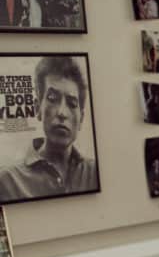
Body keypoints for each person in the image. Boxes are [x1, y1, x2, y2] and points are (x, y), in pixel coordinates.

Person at [0, 55, 98, 202]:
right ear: (38, 108)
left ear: (82, 118)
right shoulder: (8, 180)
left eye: (72, 104)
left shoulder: (95, 172)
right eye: (52, 99)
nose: (62, 113)